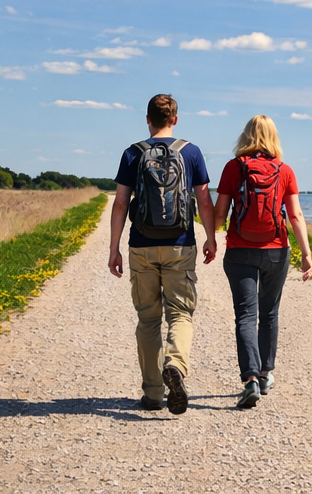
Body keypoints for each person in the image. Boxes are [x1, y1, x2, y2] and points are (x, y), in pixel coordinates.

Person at [108, 93, 215, 414]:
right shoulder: (191, 152)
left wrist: (113, 248)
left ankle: (154, 394)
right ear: (175, 120)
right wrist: (211, 237)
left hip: (141, 244)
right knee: (180, 314)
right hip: (181, 243)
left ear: (147, 119)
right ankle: (176, 366)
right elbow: (205, 201)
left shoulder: (132, 154)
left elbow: (120, 203)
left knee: (148, 319)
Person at [213, 114, 312, 409]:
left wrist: (212, 236)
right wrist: (306, 253)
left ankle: (250, 380)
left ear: (245, 136)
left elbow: (220, 212)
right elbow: (295, 216)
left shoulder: (234, 168)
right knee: (269, 313)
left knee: (245, 315)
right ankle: (266, 373)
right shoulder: (285, 171)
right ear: (274, 137)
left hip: (240, 250)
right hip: (276, 251)